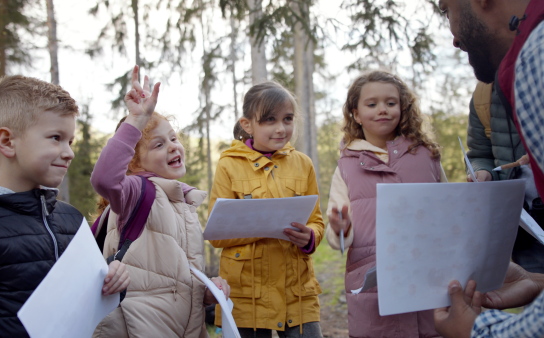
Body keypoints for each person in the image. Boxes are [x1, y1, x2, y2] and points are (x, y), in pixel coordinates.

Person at [0, 75, 129, 337]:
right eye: (56, 137)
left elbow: (86, 301)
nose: (69, 152)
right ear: (7, 142)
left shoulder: (71, 219)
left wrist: (112, 280)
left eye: (70, 141)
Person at [91, 65, 230, 338]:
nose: (173, 146)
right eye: (158, 144)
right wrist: (136, 121)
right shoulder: (136, 190)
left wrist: (207, 293)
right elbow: (105, 179)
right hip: (140, 328)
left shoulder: (182, 204)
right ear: (132, 162)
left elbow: (171, 279)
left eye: (174, 138)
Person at [434, 0, 544, 336]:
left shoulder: (535, 58)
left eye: (446, 8)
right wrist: (535, 282)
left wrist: (481, 331)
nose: (453, 38)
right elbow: (479, 151)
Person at [325, 70, 445, 337]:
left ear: (403, 108)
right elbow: (336, 237)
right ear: (356, 114)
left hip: (429, 281)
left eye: (391, 103)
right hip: (373, 290)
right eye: (372, 104)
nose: (383, 110)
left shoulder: (427, 156)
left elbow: (448, 212)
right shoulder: (346, 166)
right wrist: (340, 228)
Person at [207, 81, 325, 337]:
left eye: (288, 119)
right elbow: (216, 234)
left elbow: (316, 220)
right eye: (269, 120)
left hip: (297, 293)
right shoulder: (229, 165)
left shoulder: (303, 164)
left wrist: (310, 236)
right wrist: (264, 226)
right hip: (246, 294)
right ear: (247, 124)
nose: (281, 128)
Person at [466, 81, 544, 273]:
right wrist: (484, 173)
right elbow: (480, 154)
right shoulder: (483, 96)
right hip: (525, 226)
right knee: (535, 297)